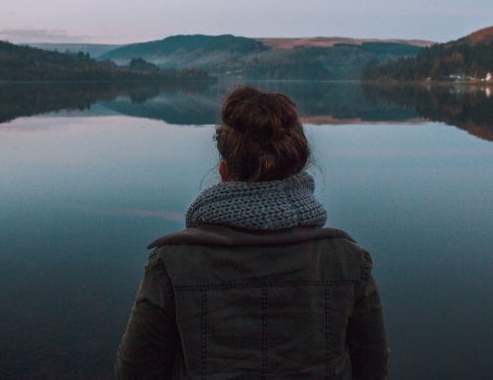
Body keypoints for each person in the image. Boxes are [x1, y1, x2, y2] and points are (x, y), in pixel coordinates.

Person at [115, 85, 389, 379]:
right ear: (297, 172)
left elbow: (135, 373)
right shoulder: (348, 261)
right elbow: (373, 370)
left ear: (223, 172)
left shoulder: (171, 265)